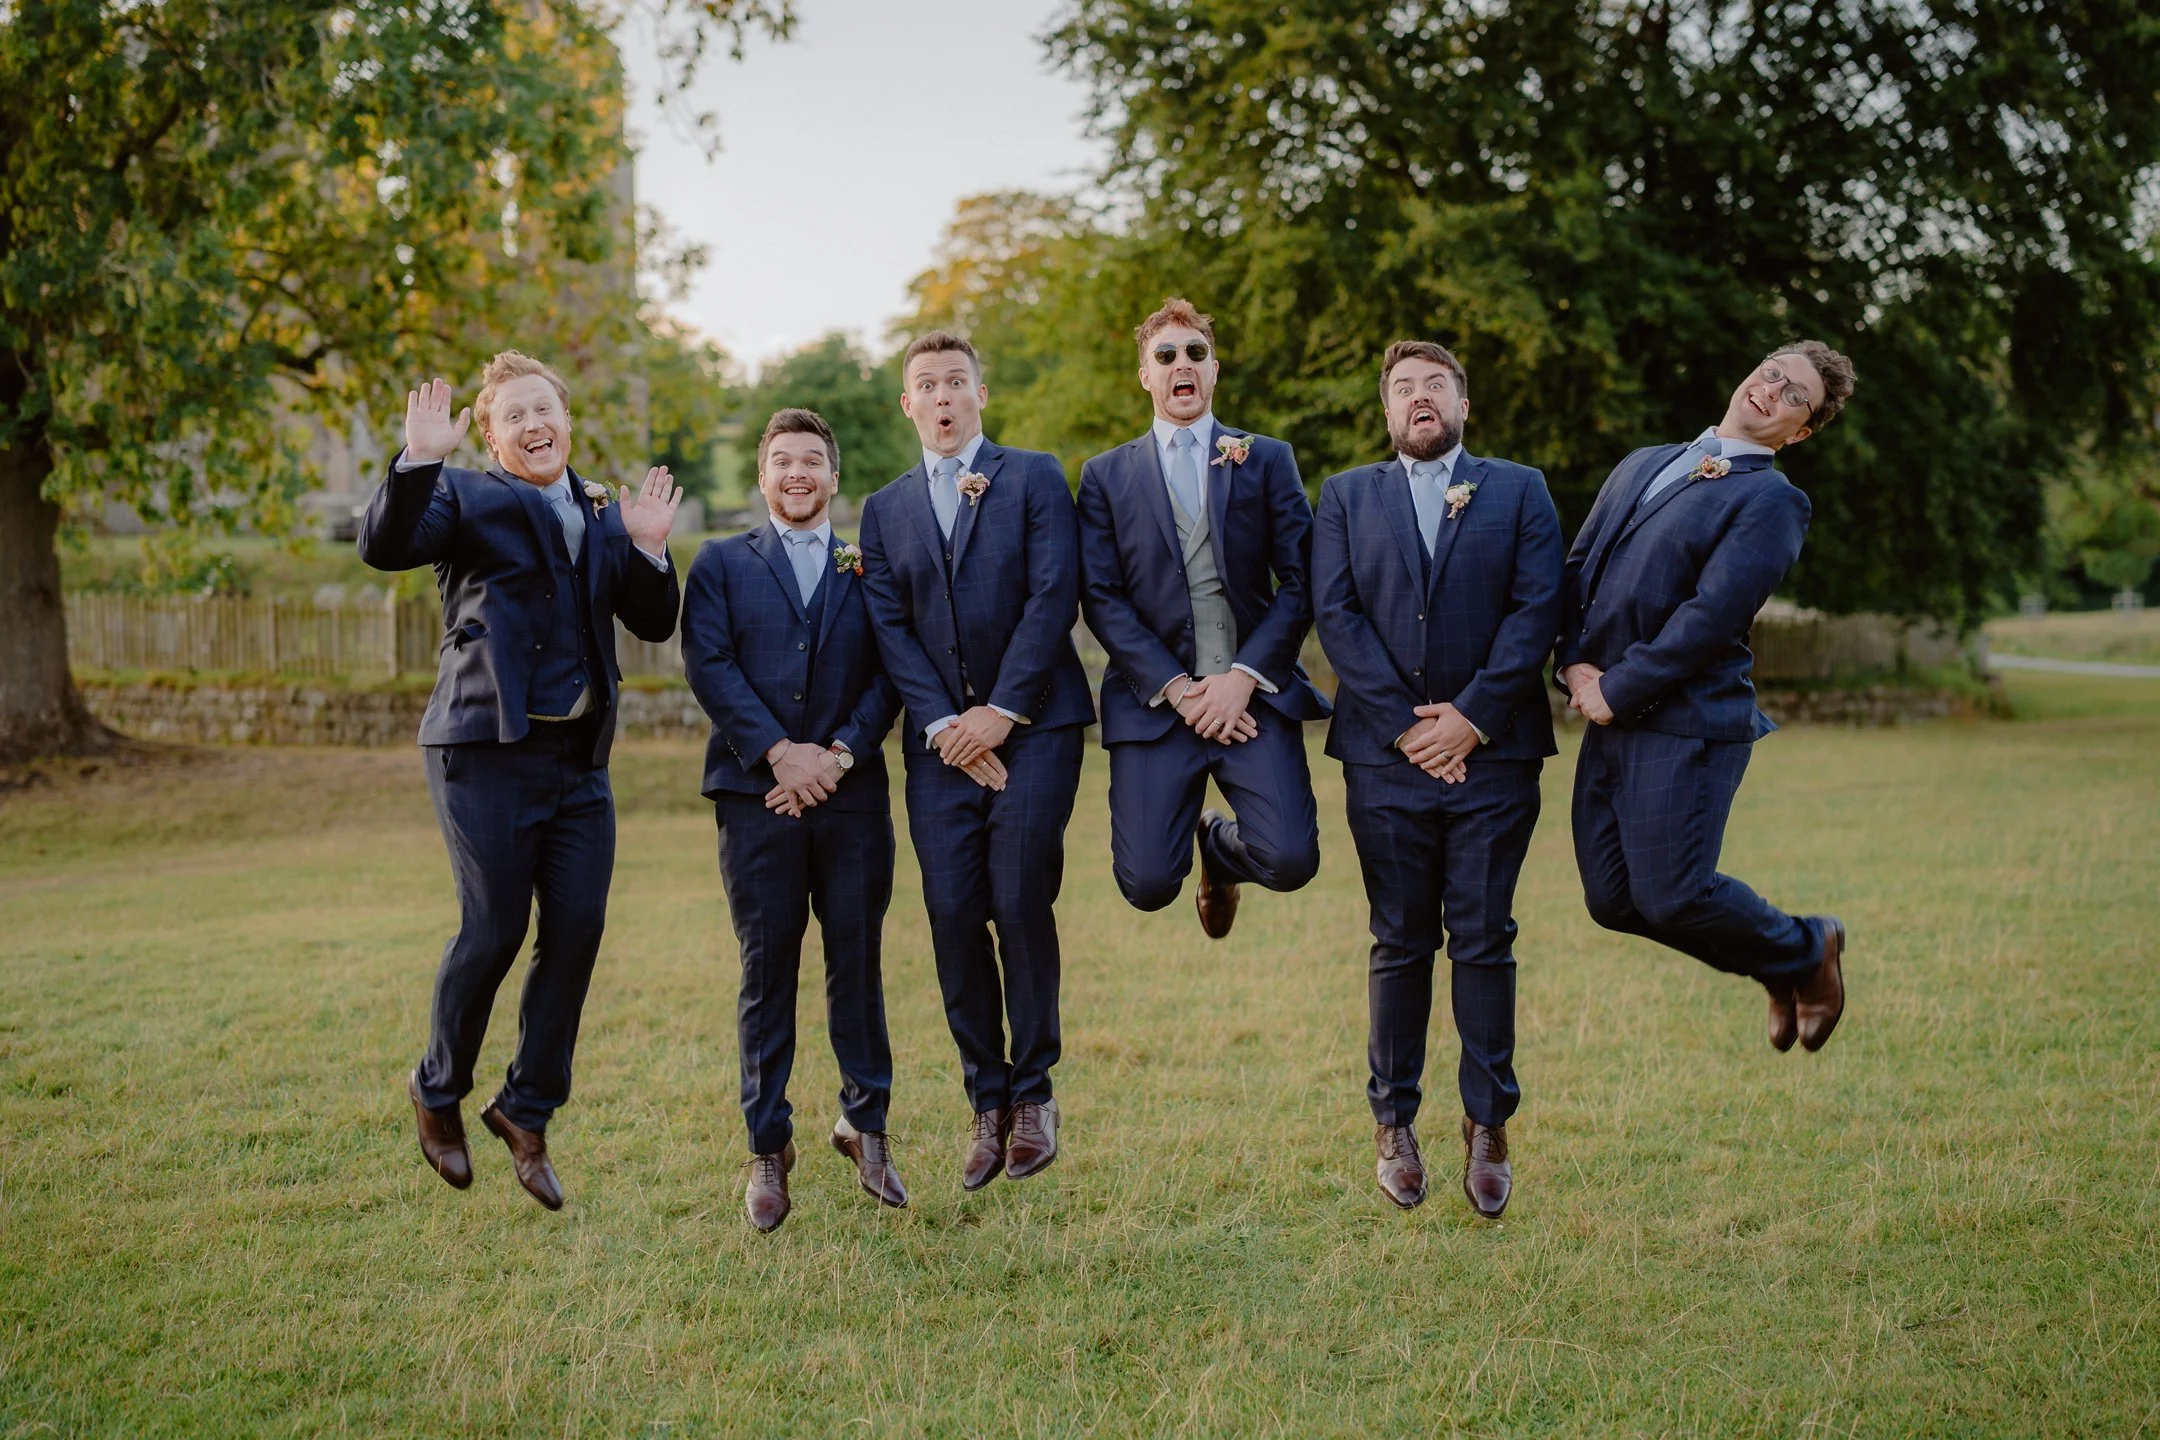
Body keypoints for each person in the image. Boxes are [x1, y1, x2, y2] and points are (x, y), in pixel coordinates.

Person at [357, 352, 682, 1211]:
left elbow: (651, 622)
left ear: (566, 419)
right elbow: (384, 546)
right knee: (495, 929)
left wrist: (649, 551)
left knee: (576, 930)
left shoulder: (602, 509)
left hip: (578, 763)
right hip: (484, 751)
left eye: (546, 410)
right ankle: (438, 1088)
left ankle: (525, 1111)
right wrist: (418, 460)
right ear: (493, 435)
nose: (534, 425)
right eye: (515, 417)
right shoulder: (460, 498)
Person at [1312, 340, 1564, 1218]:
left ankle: (1488, 1125)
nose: (1420, 398)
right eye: (1404, 389)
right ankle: (1395, 1123)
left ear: (1463, 404)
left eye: (1436, 386)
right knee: (1400, 940)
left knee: (1485, 936)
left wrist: (1472, 718)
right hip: (1384, 763)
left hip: (1495, 756)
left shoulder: (1520, 489)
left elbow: (1539, 611)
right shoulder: (1345, 497)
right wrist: (1409, 729)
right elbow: (1336, 617)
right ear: (1387, 413)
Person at [1556, 342, 1857, 1058]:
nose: (1771, 390)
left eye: (1794, 396)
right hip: (1604, 708)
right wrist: (1571, 666)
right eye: (1772, 372)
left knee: (1673, 894)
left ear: (1801, 431)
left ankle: (1809, 946)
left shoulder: (1773, 501)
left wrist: (1618, 689)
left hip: (1689, 723)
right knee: (1613, 900)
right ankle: (1788, 960)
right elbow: (1576, 568)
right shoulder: (1643, 461)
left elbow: (1712, 615)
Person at [856, 332, 1095, 1190]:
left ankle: (1034, 1095)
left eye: (958, 380)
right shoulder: (882, 511)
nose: (945, 395)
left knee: (1019, 891)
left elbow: (1052, 592)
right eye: (928, 384)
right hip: (939, 744)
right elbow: (888, 625)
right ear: (908, 405)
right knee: (954, 911)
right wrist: (949, 726)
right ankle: (985, 1104)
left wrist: (1001, 714)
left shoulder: (1032, 476)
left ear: (981, 393)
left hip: (1037, 726)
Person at [680, 408, 904, 1233]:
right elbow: (710, 664)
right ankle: (767, 1148)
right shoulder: (720, 564)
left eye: (813, 460)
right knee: (766, 971)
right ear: (763, 476)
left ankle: (867, 1125)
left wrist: (835, 756)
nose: (798, 473)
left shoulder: (869, 566)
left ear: (834, 477)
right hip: (755, 800)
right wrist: (781, 755)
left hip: (854, 796)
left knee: (858, 962)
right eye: (783, 461)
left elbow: (893, 669)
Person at [1075, 298, 1328, 939]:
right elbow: (1101, 596)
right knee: (1149, 884)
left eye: (1195, 353)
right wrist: (1180, 690)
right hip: (1158, 705)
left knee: (1292, 859)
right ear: (1145, 375)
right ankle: (1191, 850)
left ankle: (1218, 849)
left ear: (1213, 370)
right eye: (1165, 355)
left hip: (1251, 699)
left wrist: (1243, 675)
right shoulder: (1105, 476)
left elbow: (1302, 582)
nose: (1181, 364)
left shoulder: (1266, 458)